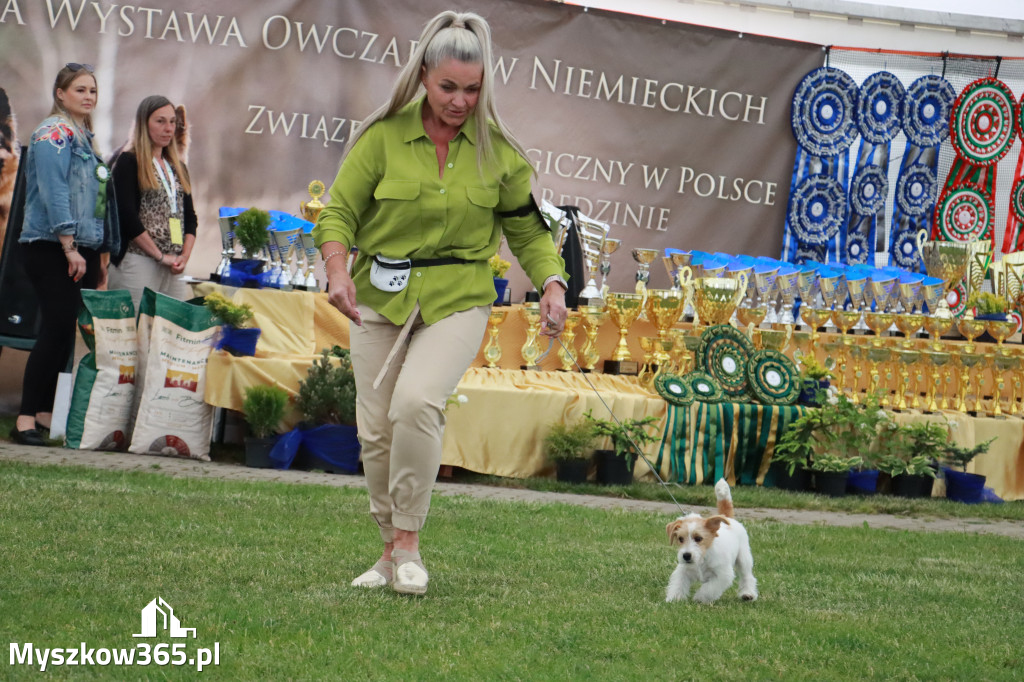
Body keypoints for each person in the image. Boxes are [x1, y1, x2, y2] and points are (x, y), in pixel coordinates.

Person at [313, 10, 569, 596]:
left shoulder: (499, 151)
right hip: (378, 295)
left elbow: (528, 231)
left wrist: (552, 282)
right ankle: (385, 552)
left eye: (472, 90)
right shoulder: (381, 137)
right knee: (375, 429)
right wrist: (335, 269)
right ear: (424, 76)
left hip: (459, 297)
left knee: (417, 403)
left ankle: (409, 543)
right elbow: (338, 213)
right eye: (449, 87)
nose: (459, 101)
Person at [12, 63, 116, 446]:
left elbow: (99, 200)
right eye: (80, 90)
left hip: (81, 248)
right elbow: (56, 193)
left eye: (92, 91)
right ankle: (23, 419)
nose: (88, 97)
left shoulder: (85, 136)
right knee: (54, 330)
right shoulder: (53, 133)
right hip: (51, 246)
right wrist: (69, 246)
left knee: (62, 334)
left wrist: (98, 252)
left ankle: (42, 413)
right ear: (60, 94)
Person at [108, 95, 197, 311]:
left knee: (168, 333)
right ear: (143, 123)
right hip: (138, 260)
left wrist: (183, 256)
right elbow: (127, 215)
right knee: (133, 333)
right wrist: (159, 256)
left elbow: (189, 217)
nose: (169, 128)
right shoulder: (129, 161)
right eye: (160, 121)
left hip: (173, 265)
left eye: (172, 122)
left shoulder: (178, 166)